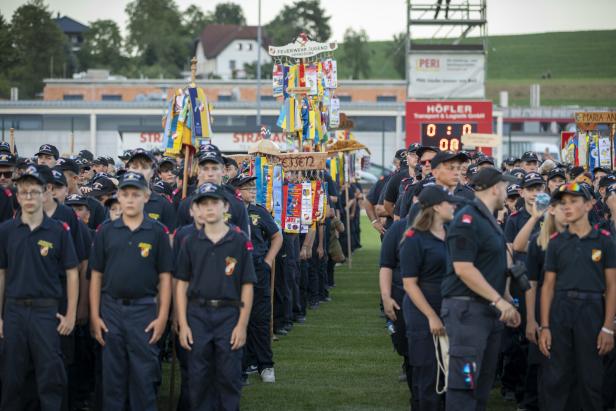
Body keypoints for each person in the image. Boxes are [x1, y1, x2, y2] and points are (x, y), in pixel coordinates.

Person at [89, 171, 173, 410]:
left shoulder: (157, 232)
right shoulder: (106, 230)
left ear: (146, 196)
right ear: (118, 197)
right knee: (112, 380)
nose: (130, 199)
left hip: (144, 310)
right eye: (125, 194)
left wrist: (162, 317)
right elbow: (96, 275)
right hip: (111, 310)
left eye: (136, 194)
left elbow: (166, 277)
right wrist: (95, 316)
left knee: (143, 379)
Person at [441, 167, 521, 411]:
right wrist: (500, 301)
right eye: (505, 188)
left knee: (481, 387)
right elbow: (464, 269)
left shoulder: (488, 218)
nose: (507, 193)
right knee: (465, 385)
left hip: (486, 311)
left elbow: (490, 266)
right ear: (495, 188)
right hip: (468, 312)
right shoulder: (468, 219)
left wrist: (506, 299)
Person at [0, 164, 79, 410]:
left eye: (34, 192)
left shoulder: (59, 230)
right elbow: (1, 273)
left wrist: (71, 314)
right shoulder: (6, 230)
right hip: (14, 311)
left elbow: (72, 273)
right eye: (24, 192)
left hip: (46, 312)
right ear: (17, 195)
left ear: (45, 192)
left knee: (50, 378)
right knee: (12, 378)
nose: (29, 198)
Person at [174, 182, 256, 411]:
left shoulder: (238, 241)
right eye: (203, 204)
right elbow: (181, 284)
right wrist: (183, 323)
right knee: (198, 379)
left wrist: (242, 325)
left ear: (225, 206)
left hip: (229, 315)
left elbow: (247, 286)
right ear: (196, 209)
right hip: (197, 315)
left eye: (214, 203)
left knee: (229, 378)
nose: (209, 208)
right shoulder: (189, 242)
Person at [539, 182, 616, 411]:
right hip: (561, 309)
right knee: (558, 376)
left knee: (590, 377)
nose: (568, 207)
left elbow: (612, 285)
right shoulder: (556, 242)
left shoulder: (604, 240)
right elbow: (548, 287)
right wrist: (545, 326)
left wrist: (608, 327)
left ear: (590, 204)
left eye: (574, 201)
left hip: (592, 309)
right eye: (564, 202)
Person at [401, 185, 457, 410]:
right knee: (428, 375)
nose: (453, 206)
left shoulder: (452, 232)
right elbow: (410, 284)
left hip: (450, 308)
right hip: (423, 311)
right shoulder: (414, 238)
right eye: (448, 203)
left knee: (451, 374)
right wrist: (432, 316)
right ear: (436, 207)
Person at [232, 174, 283, 383]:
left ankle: (265, 365)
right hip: (234, 271)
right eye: (247, 187)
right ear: (237, 190)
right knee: (236, 316)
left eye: (253, 187)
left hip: (257, 268)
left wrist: (268, 260)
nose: (252, 190)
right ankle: (242, 365)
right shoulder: (229, 211)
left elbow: (276, 236)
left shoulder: (259, 212)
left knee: (260, 318)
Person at [126, 148, 176, 231]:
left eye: (144, 167)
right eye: (135, 167)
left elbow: (170, 238)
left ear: (153, 172)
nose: (139, 171)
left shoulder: (164, 205)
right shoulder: (117, 203)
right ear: (128, 170)